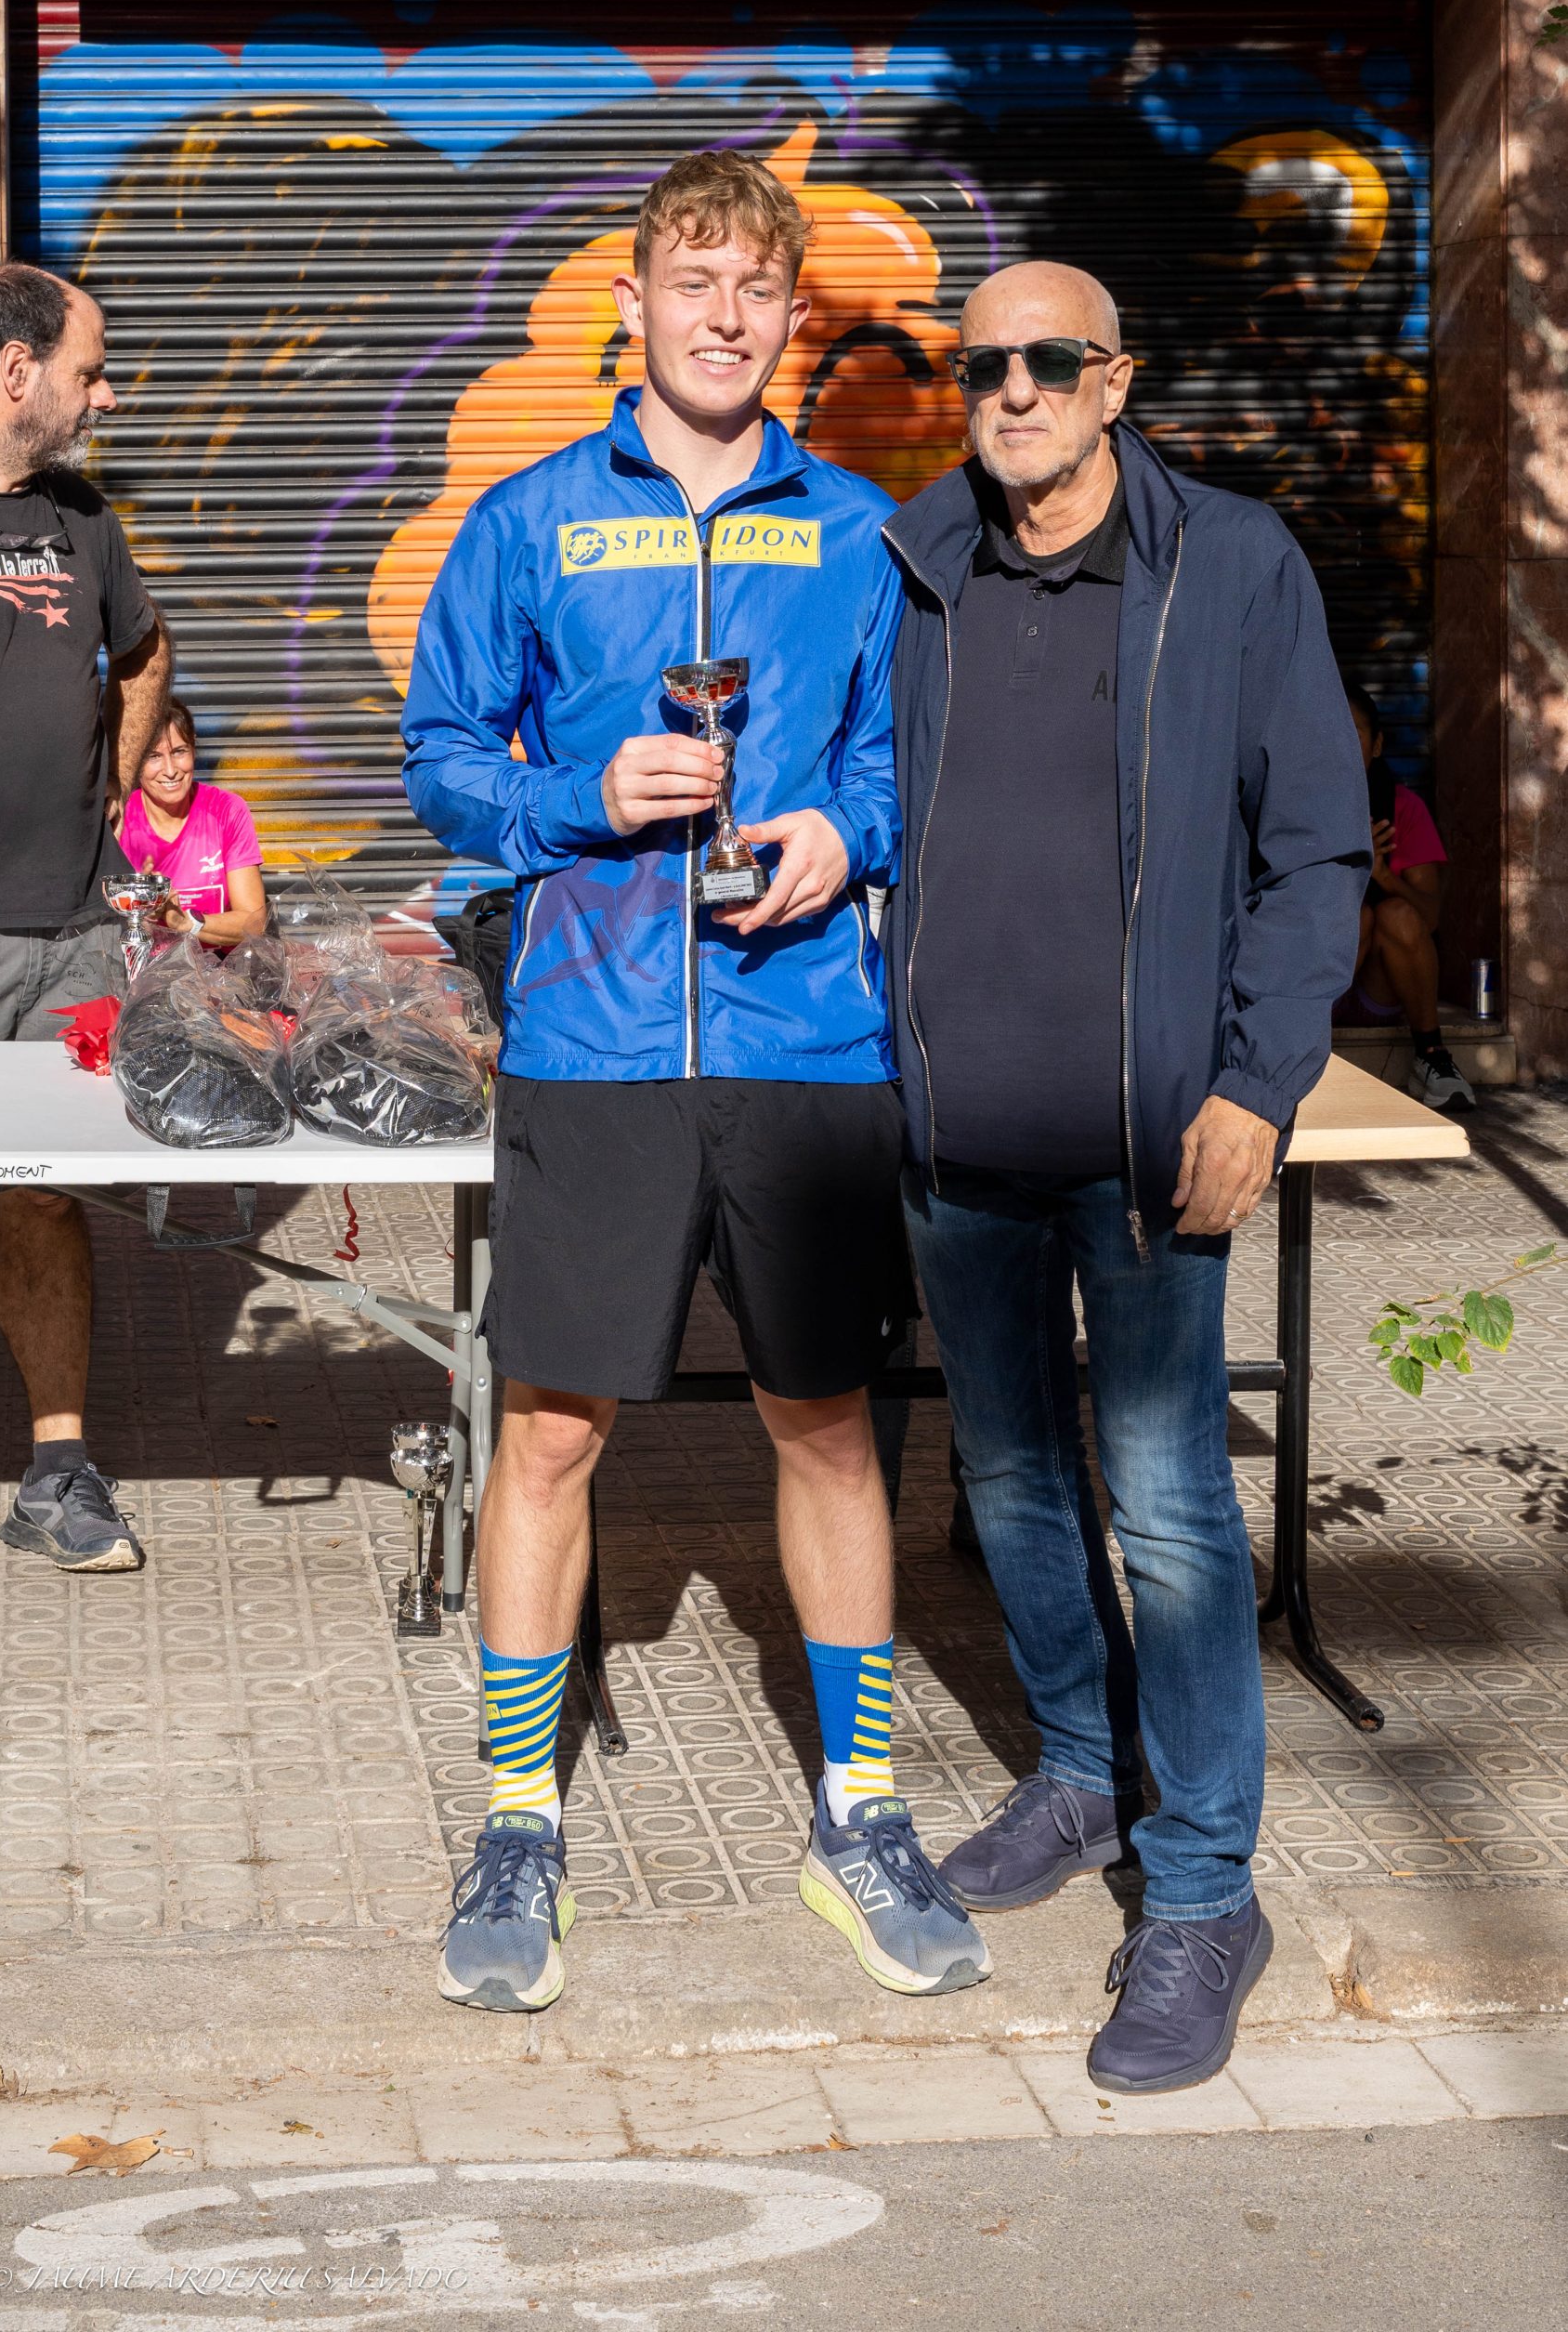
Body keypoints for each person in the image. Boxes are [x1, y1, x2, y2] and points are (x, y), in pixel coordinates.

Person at [402, 151, 987, 2013]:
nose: (725, 316)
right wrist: (578, 795)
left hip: (804, 1040)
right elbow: (439, 756)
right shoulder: (526, 521)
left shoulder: (862, 533)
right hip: (589, 1045)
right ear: (633, 305)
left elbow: (908, 761)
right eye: (693, 280)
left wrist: (844, 835)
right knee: (548, 1437)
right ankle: (518, 1821)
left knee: (831, 1427)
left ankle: (862, 1812)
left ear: (791, 316)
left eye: (756, 287)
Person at [882, 261, 1369, 2095]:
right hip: (956, 1138)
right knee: (1009, 1483)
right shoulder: (912, 563)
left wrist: (1258, 1080)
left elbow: (1314, 845)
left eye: (1049, 361)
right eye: (981, 365)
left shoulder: (1229, 564)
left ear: (1114, 381)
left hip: (1153, 1142)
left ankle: (1205, 1892)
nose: (1010, 390)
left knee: (1166, 1512)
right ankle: (1085, 1773)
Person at [0, 261, 172, 1574]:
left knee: (43, 1196)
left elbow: (147, 649)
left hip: (66, 927)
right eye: (89, 372)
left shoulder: (84, 523)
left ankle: (56, 1473)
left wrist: (118, 776)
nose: (105, 397)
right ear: (16, 373)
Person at [1339, 680, 1474, 1111]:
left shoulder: (1403, 808)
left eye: (1354, 733)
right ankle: (1294, 1055)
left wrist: (1383, 875)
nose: (1341, 744)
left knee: (1395, 913)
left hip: (1377, 990)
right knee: (1356, 916)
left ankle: (1432, 1055)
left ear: (1377, 745)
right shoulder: (1291, 806)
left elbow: (1429, 918)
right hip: (1314, 988)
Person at [119, 700, 268, 950]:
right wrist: (140, 911)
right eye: (154, 756)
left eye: (179, 752)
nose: (170, 770)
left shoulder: (226, 810)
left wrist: (185, 922)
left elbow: (254, 924)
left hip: (220, 972)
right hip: (140, 971)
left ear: (194, 749)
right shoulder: (118, 819)